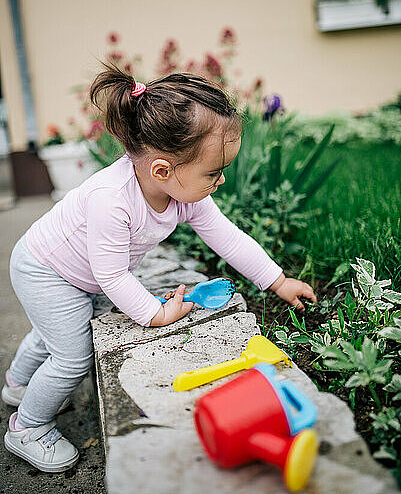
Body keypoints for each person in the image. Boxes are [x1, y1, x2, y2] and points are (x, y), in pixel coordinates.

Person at [2, 64, 316, 473]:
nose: (220, 181)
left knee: (52, 334)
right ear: (163, 170)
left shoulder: (184, 191)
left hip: (79, 272)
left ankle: (17, 384)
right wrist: (155, 314)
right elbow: (112, 275)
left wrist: (277, 280)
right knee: (72, 354)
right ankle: (27, 426)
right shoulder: (112, 199)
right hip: (45, 269)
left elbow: (228, 236)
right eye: (213, 172)